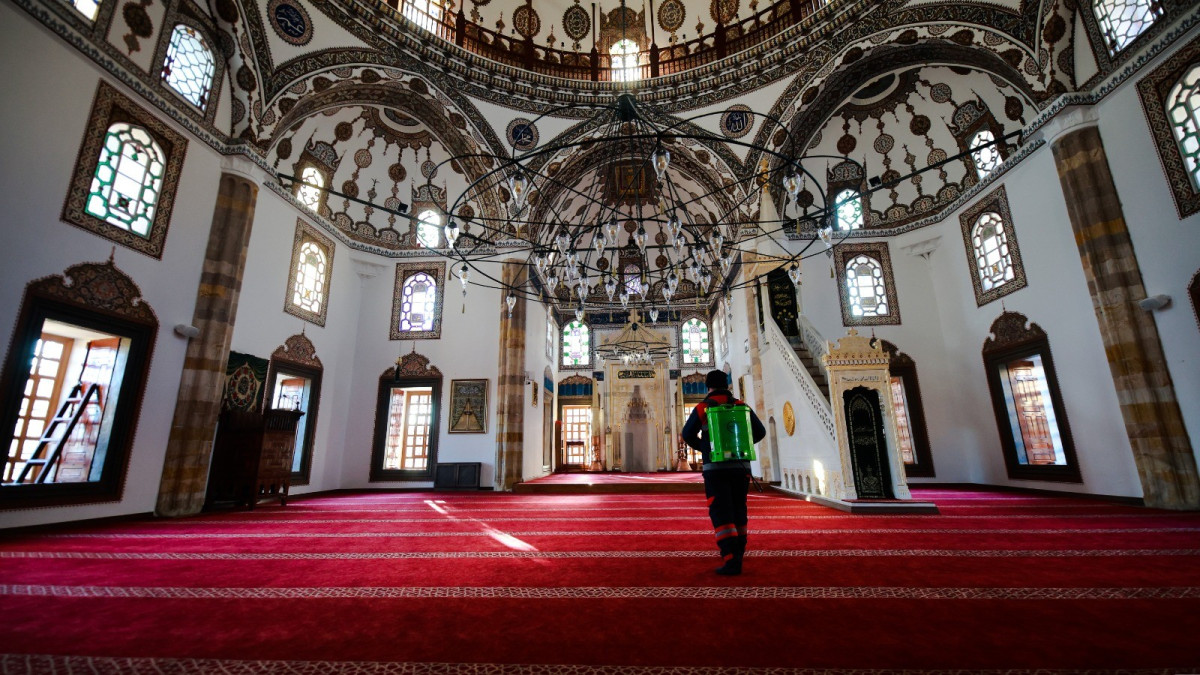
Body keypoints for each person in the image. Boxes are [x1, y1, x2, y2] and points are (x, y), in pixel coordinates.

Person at [680, 369, 766, 575]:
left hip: (716, 470)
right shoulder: (740, 406)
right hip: (740, 468)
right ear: (727, 385)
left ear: (707, 386)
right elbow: (760, 431)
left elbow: (687, 434)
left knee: (721, 512)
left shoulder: (703, 408)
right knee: (739, 509)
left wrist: (706, 449)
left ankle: (731, 560)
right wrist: (741, 446)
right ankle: (739, 553)